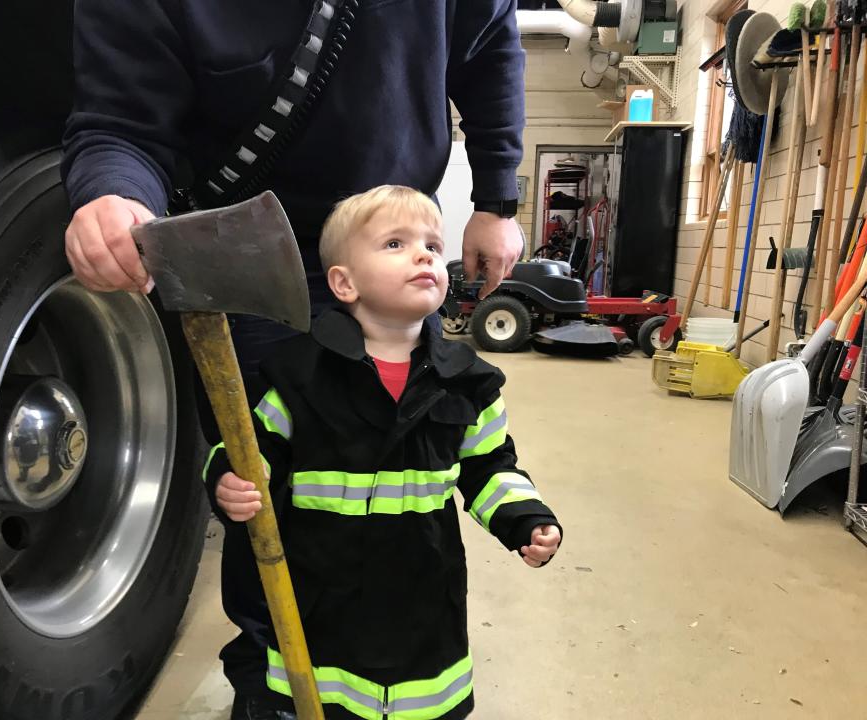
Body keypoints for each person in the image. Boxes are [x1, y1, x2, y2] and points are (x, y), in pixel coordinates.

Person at [60, 3, 529, 716]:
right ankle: (271, 687)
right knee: (270, 495)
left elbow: (490, 38)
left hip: (383, 236)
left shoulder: (461, 372)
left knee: (397, 485)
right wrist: (113, 194)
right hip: (246, 255)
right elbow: (120, 120)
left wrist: (496, 194)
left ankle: (386, 672)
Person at [207, 185, 562, 719]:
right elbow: (250, 449)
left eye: (431, 244)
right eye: (395, 244)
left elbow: (490, 468)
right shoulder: (300, 378)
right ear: (343, 283)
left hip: (423, 587)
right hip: (323, 589)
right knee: (323, 697)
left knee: (424, 694)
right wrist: (228, 480)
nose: (424, 254)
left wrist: (524, 518)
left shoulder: (468, 384)